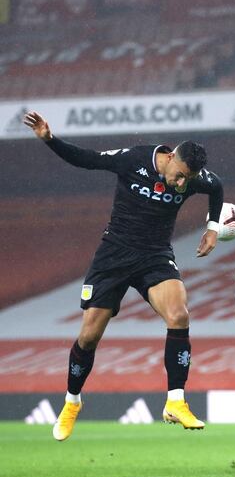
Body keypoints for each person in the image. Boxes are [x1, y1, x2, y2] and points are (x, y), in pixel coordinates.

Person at [23, 111, 223, 441]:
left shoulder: (194, 177)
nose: (182, 183)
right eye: (180, 176)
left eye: (188, 179)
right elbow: (85, 159)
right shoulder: (133, 159)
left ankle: (176, 400)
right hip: (114, 254)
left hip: (155, 255)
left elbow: (216, 188)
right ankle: (72, 401)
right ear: (170, 157)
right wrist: (50, 139)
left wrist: (212, 229)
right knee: (89, 336)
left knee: (179, 314)